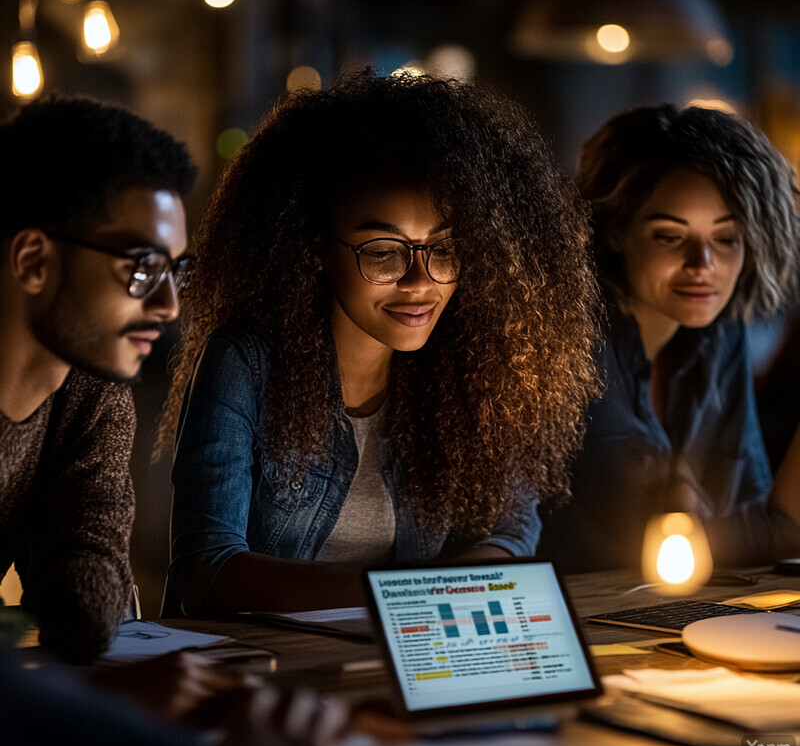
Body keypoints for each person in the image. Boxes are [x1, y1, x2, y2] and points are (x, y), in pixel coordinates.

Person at [159, 71, 601, 615]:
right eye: (383, 251)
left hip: (406, 660)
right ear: (317, 247)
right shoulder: (244, 362)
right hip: (265, 674)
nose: (419, 281)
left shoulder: (472, 361)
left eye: (443, 248)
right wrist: (405, 602)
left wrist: (418, 607)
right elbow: (206, 570)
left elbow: (512, 533)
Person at [536, 104, 800, 572]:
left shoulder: (721, 334)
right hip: (569, 619)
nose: (703, 265)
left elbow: (757, 524)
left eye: (726, 239)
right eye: (669, 237)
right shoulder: (560, 343)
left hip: (674, 617)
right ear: (616, 230)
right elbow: (628, 545)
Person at [0, 95, 196, 661]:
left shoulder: (92, 392)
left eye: (177, 270)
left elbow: (90, 562)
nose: (168, 305)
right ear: (34, 261)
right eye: (142, 267)